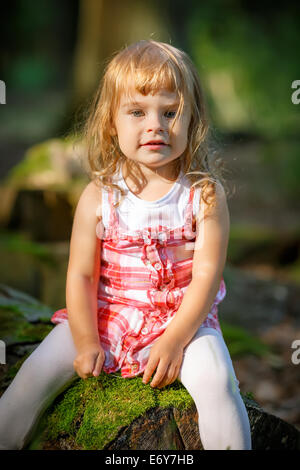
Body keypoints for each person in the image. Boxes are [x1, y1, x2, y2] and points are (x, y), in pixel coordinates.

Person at [0, 40, 252, 450]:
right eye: (137, 112)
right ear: (112, 124)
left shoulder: (203, 195)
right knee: (34, 375)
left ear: (192, 120)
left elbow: (206, 276)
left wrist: (174, 340)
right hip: (106, 313)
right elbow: (82, 275)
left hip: (184, 319)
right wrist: (85, 340)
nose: (155, 125)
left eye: (170, 113)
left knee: (218, 384)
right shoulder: (99, 196)